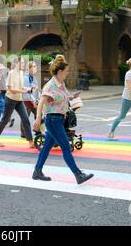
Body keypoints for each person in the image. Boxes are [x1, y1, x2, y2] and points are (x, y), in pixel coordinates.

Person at [33, 57, 94, 185]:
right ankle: (78, 174)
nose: (68, 73)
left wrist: (72, 96)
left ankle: (37, 172)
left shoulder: (61, 85)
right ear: (60, 71)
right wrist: (38, 119)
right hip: (53, 120)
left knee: (46, 147)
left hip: (59, 119)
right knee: (66, 146)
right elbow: (41, 103)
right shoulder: (50, 85)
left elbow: (62, 98)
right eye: (66, 71)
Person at [0, 57, 34, 148]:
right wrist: (22, 91)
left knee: (26, 119)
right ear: (16, 63)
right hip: (10, 100)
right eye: (22, 63)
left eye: (23, 62)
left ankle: (31, 142)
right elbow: (10, 88)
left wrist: (28, 89)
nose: (23, 64)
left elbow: (21, 87)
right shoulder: (11, 73)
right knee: (5, 120)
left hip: (19, 100)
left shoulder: (21, 73)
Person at [21, 61, 39, 140]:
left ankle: (37, 130)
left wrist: (37, 100)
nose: (36, 68)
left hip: (32, 100)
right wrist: (33, 102)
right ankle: (24, 133)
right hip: (27, 100)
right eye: (34, 66)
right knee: (25, 117)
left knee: (38, 115)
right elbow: (27, 92)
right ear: (29, 68)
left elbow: (35, 91)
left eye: (35, 66)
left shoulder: (33, 77)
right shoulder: (26, 77)